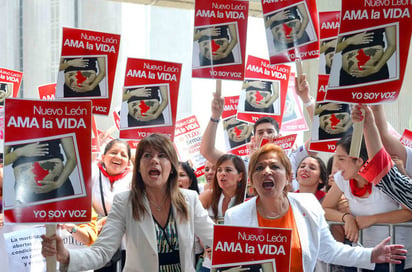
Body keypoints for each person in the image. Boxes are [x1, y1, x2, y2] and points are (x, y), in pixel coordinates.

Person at [41, 133, 215, 271]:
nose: (154, 160)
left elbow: (216, 238)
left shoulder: (189, 200)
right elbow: (102, 251)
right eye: (147, 155)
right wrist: (65, 256)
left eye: (162, 155)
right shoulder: (124, 202)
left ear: (172, 167)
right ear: (138, 167)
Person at [224, 143, 407, 271]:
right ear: (252, 180)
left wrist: (371, 255)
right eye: (259, 168)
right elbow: (236, 268)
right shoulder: (235, 216)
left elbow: (329, 250)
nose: (266, 171)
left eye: (274, 166)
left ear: (289, 177)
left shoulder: (309, 205)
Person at [322, 104, 412, 271]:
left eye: (341, 159)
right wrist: (347, 217)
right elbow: (325, 207)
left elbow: (409, 209)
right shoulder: (342, 178)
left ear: (359, 161)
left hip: (396, 259)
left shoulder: (385, 180)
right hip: (363, 258)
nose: (336, 165)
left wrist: (373, 219)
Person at [198, 154, 247, 272]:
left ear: (240, 176)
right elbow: (193, 222)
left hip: (238, 265)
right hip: (210, 263)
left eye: (228, 170)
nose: (222, 173)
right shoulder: (208, 195)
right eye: (219, 170)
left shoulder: (247, 199)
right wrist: (205, 244)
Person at [91, 139, 133, 272]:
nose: (118, 157)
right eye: (113, 152)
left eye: (123, 155)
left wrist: (110, 220)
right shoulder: (92, 173)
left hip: (125, 242)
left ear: (128, 162)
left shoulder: (133, 179)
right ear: (103, 157)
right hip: (96, 239)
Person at [4, 137, 76, 204]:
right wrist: (20, 152)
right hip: (26, 191)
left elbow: (72, 158)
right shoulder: (11, 126)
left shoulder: (59, 124)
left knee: (66, 216)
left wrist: (57, 184)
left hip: (60, 187)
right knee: (29, 217)